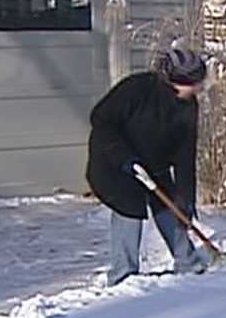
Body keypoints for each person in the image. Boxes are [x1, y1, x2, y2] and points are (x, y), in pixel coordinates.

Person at [86, 47, 212, 285]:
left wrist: (185, 197)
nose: (199, 88)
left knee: (171, 205)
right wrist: (124, 158)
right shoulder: (137, 89)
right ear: (178, 81)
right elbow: (101, 119)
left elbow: (186, 154)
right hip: (115, 163)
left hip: (155, 164)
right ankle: (123, 275)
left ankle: (188, 263)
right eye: (196, 83)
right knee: (129, 210)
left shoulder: (187, 105)